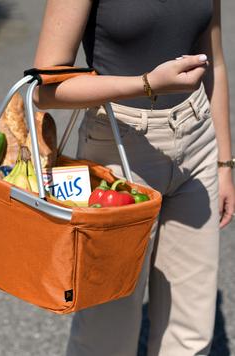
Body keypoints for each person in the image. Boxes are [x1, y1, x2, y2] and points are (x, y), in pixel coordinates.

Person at [33, 1, 235, 355]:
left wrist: (224, 163)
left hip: (197, 137)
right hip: (118, 146)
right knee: (106, 333)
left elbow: (213, 60)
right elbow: (45, 89)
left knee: (192, 331)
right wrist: (146, 84)